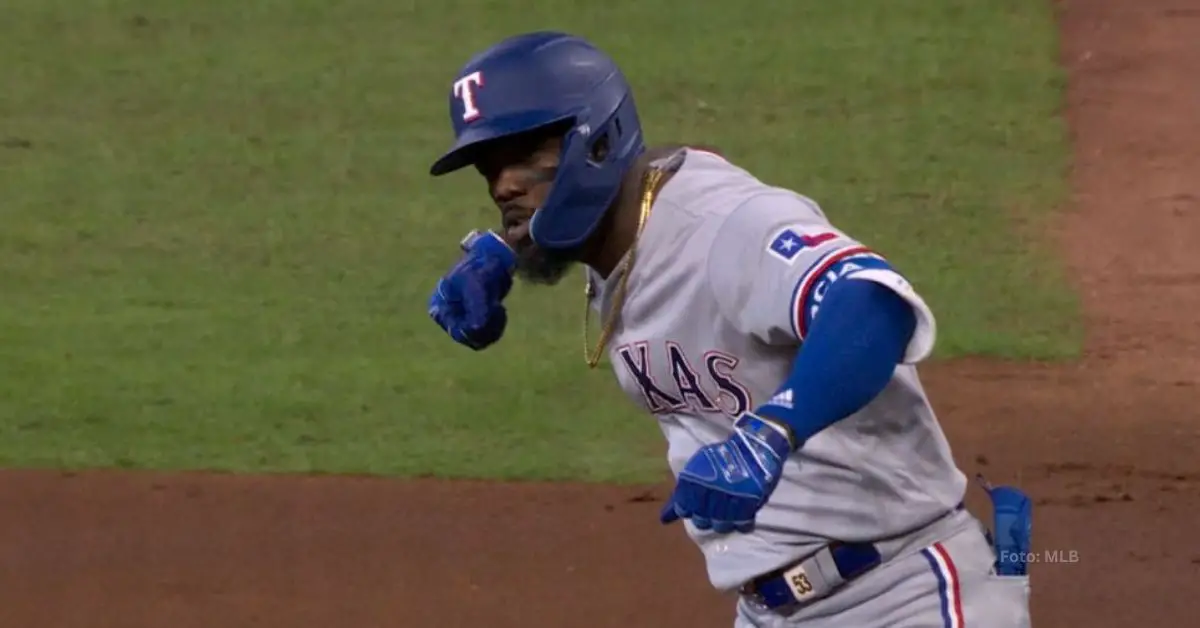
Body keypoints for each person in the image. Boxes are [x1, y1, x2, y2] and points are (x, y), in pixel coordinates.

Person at [425, 31, 1033, 627]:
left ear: (600, 143)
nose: (503, 184)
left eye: (527, 153)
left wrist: (771, 432)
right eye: (489, 166)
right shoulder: (621, 229)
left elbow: (872, 302)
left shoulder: (724, 225)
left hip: (901, 592)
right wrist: (501, 256)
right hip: (771, 611)